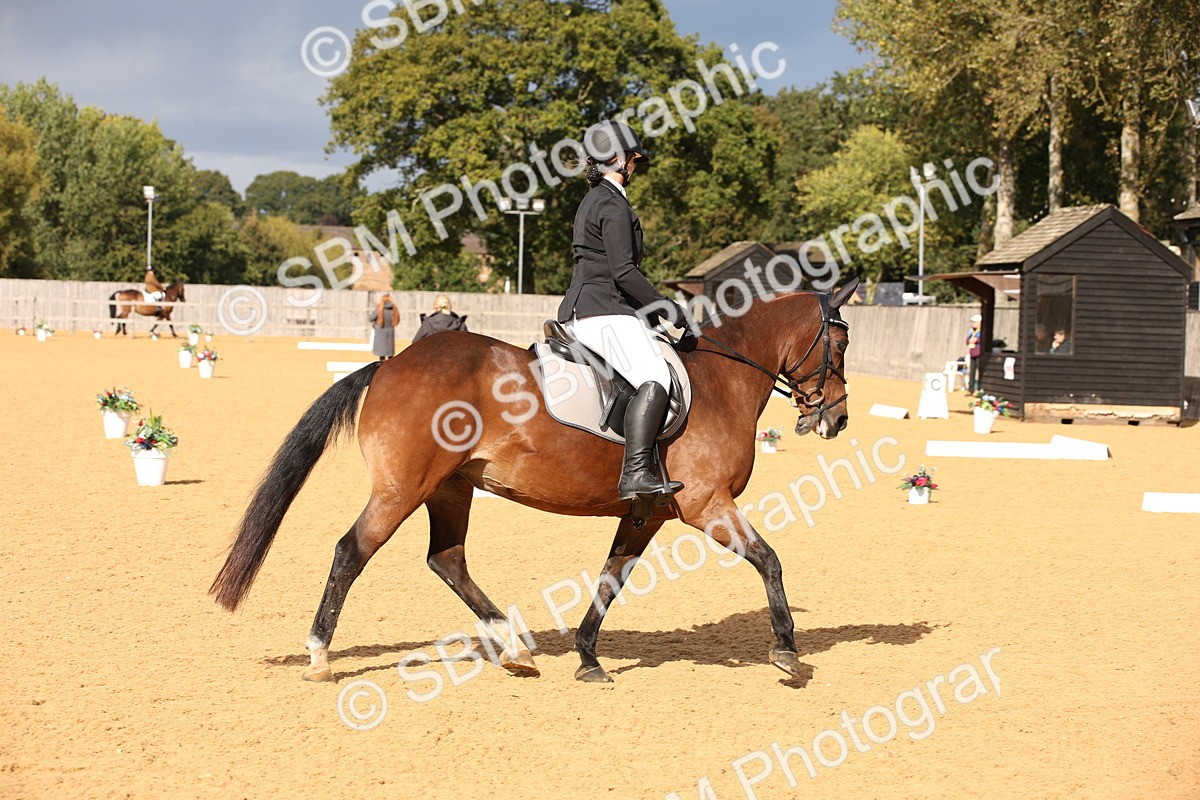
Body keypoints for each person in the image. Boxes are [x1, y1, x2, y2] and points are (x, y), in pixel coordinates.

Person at [557, 120, 687, 503]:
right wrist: (668, 308)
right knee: (655, 377)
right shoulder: (611, 204)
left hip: (588, 306)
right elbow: (623, 271)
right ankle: (635, 474)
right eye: (633, 159)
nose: (635, 167)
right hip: (603, 311)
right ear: (617, 158)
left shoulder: (594, 199)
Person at [369, 294, 399, 360]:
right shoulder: (394, 309)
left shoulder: (379, 308)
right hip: (390, 331)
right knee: (390, 353)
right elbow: (397, 320)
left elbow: (371, 318)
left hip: (380, 331)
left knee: (381, 353)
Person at [965, 314, 983, 391]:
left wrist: (977, 340)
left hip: (979, 354)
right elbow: (967, 341)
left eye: (975, 322)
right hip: (972, 354)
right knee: (972, 372)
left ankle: (980, 389)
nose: (973, 324)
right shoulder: (971, 332)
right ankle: (971, 388)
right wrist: (970, 341)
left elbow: (983, 341)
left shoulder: (982, 332)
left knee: (980, 372)